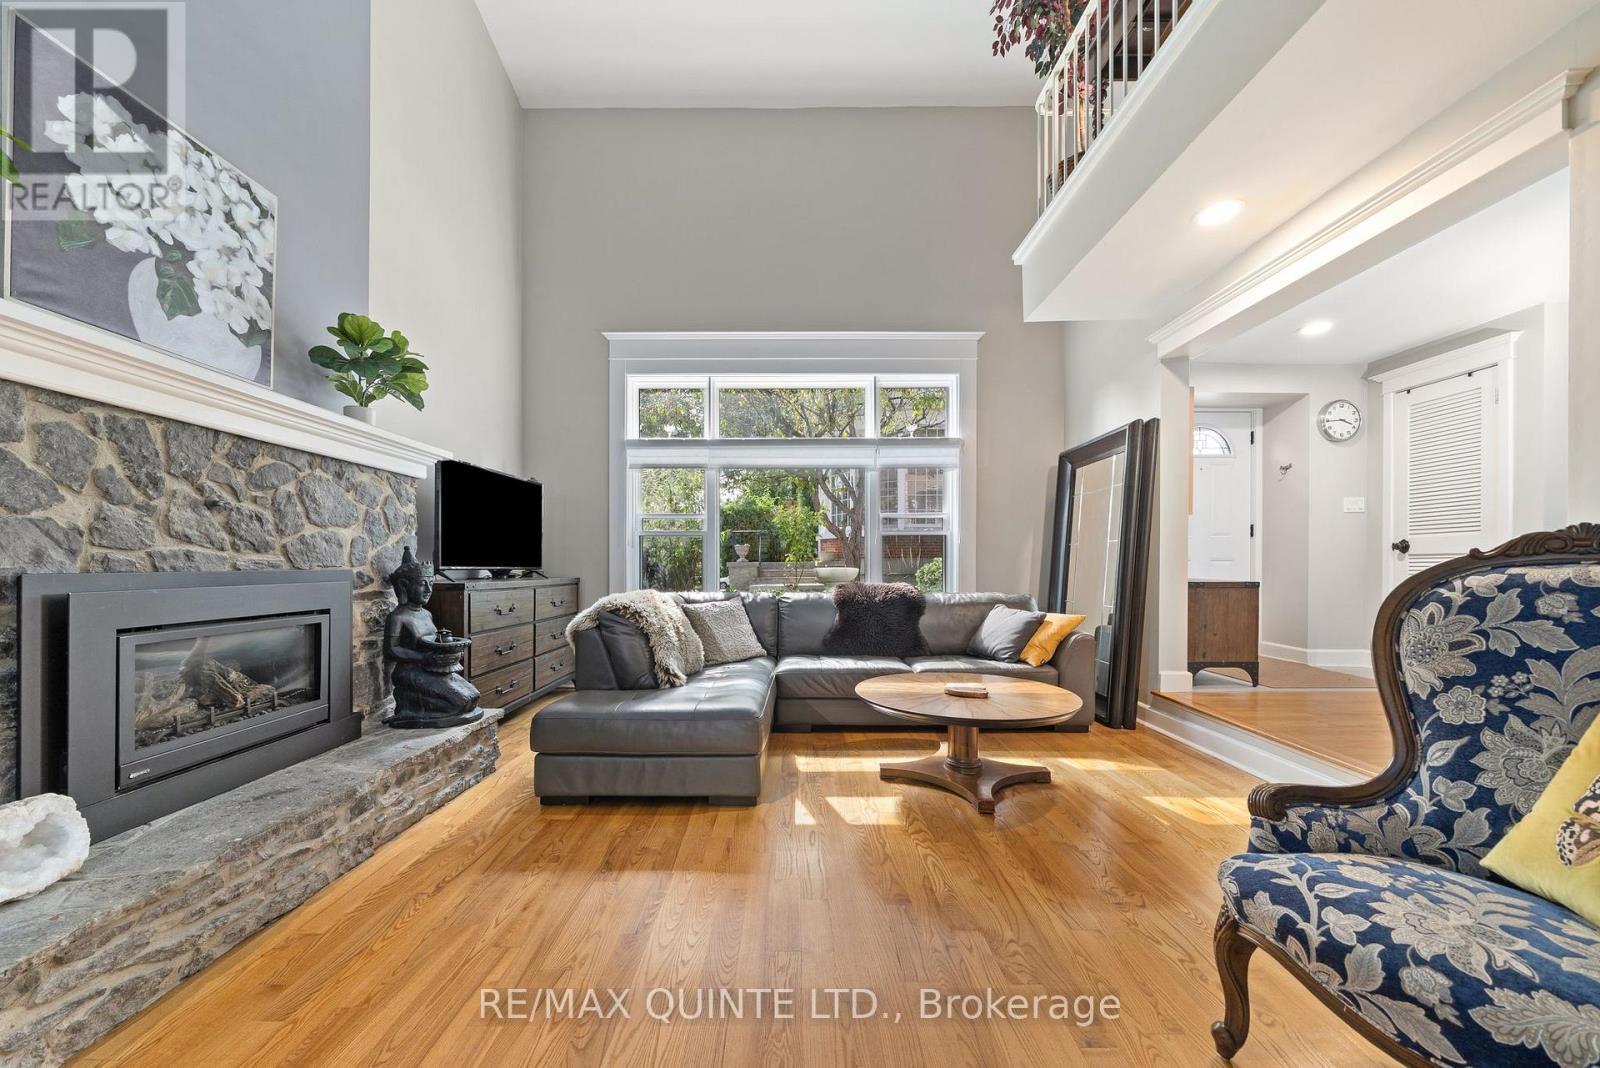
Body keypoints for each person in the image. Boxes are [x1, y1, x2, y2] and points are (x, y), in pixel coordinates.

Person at [384, 546, 482, 727]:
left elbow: (433, 641)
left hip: (433, 669)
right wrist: (423, 657)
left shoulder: (426, 614)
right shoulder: (398, 617)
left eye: (431, 583)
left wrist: (447, 649)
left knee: (473, 696)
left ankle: (424, 707)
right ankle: (409, 709)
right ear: (405, 586)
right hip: (410, 673)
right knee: (460, 702)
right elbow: (391, 649)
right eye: (422, 584)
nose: (429, 589)